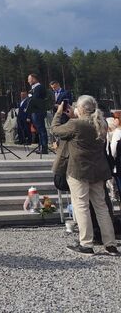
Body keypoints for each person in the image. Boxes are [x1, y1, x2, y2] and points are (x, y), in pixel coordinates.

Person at [50, 95, 118, 256]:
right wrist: (74, 116)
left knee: (81, 206)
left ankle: (86, 244)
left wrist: (59, 113)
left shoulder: (76, 124)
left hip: (79, 170)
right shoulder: (101, 123)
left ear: (80, 108)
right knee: (101, 207)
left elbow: (55, 130)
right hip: (98, 170)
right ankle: (110, 244)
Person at [27, 73, 48, 154]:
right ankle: (41, 146)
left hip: (38, 111)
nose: (28, 81)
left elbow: (35, 99)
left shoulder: (39, 87)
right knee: (38, 130)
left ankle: (44, 147)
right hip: (34, 111)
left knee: (41, 129)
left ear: (34, 79)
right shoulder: (33, 88)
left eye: (29, 79)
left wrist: (31, 96)